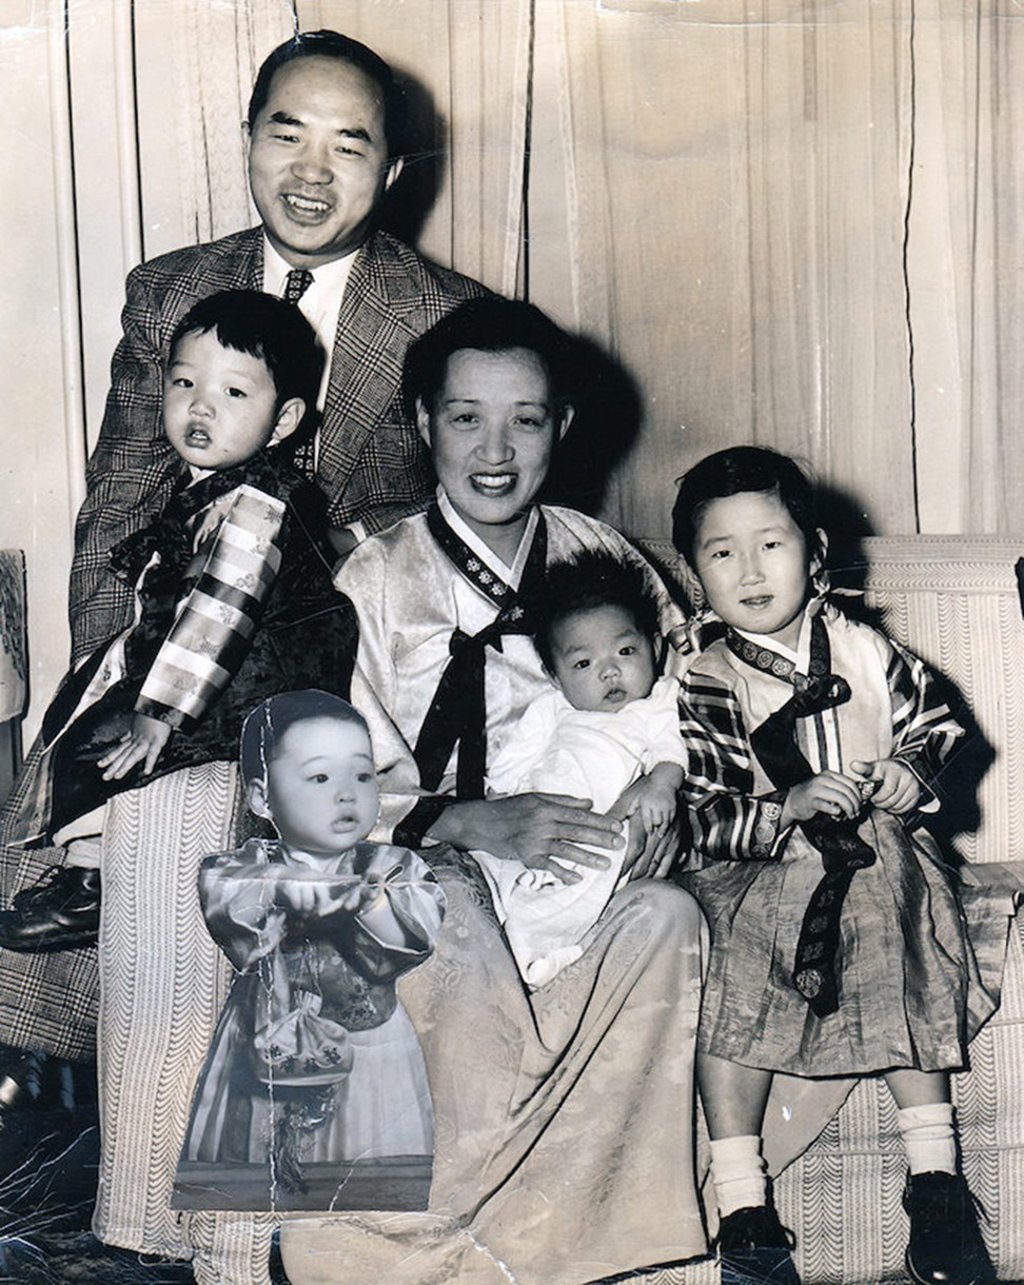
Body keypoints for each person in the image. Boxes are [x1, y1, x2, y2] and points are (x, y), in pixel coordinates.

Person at [0, 25, 485, 1110]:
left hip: (344, 655)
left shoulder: (445, 318)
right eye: (287, 135)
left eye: (349, 147)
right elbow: (118, 503)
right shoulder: (171, 291)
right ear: (247, 139)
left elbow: (453, 524)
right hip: (177, 638)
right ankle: (52, 1087)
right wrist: (112, 674)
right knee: (68, 825)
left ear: (393, 172)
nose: (311, 173)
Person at [281, 296, 709, 1285]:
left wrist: (669, 796)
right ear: (422, 422)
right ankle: (405, 1252)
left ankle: (549, 1245)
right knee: (448, 903)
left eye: (526, 418)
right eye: (466, 416)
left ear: (563, 426)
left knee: (669, 919)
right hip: (435, 870)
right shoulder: (373, 584)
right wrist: (470, 822)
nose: (496, 448)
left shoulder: (613, 566)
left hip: (583, 878)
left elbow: (694, 713)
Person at [671, 445, 1007, 1285]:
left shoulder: (863, 649)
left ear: (815, 553)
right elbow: (699, 813)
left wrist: (908, 771)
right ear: (694, 572)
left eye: (771, 544)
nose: (750, 570)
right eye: (721, 551)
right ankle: (744, 1205)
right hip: (756, 871)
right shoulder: (702, 679)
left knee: (894, 913)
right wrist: (780, 808)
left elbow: (938, 725)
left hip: (869, 860)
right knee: (727, 974)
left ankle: (935, 1183)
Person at [0, 290, 354, 953]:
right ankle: (83, 866)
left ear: (284, 421)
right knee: (84, 697)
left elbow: (221, 609)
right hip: (205, 658)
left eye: (234, 393)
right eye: (185, 382)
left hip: (251, 683)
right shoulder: (208, 483)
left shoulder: (258, 501)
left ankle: (89, 879)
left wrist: (161, 710)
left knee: (111, 738)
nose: (200, 405)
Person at [173, 691, 446, 1223]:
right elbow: (237, 907)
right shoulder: (241, 869)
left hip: (371, 1046)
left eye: (362, 776)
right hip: (267, 1051)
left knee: (376, 1194)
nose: (346, 794)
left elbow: (410, 936)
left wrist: (357, 898)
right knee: (256, 1196)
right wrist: (325, 895)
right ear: (261, 798)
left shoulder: (394, 868)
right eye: (319, 778)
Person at [476, 549, 688, 988]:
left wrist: (660, 787)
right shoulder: (550, 709)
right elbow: (507, 773)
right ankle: (518, 943)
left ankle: (542, 953)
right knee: (490, 877)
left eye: (625, 650)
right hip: (537, 821)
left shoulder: (658, 702)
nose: (610, 672)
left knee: (592, 877)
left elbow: (672, 751)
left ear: (656, 647)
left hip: (606, 831)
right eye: (583, 664)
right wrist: (509, 813)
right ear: (555, 676)